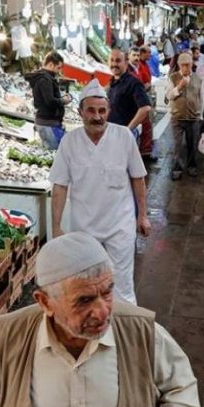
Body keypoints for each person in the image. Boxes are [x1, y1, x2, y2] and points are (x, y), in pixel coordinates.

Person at [0, 232, 201, 407]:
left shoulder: (144, 333)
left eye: (107, 292)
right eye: (84, 300)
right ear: (45, 302)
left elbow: (181, 388)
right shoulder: (4, 339)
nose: (103, 312)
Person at [49, 79, 151, 305]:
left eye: (102, 111)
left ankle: (125, 330)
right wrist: (56, 227)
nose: (97, 116)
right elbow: (60, 186)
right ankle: (94, 328)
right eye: (91, 111)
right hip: (84, 228)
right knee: (88, 282)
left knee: (122, 283)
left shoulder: (124, 136)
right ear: (81, 112)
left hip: (120, 225)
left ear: (109, 111)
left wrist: (142, 215)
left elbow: (138, 177)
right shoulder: (69, 142)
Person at [166, 53, 204, 181]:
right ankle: (177, 169)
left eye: (188, 65)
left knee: (192, 145)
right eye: (184, 65)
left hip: (193, 118)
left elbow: (201, 98)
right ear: (179, 65)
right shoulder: (173, 78)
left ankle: (192, 167)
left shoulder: (198, 79)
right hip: (177, 117)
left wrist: (200, 114)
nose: (186, 68)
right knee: (178, 145)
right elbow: (169, 96)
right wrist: (179, 86)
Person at [25, 51, 71, 150]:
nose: (58, 71)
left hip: (47, 123)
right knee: (56, 155)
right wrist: (63, 100)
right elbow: (49, 101)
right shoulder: (45, 79)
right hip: (48, 125)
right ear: (50, 64)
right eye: (58, 68)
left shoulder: (44, 78)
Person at [107, 49, 152, 141]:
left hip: (124, 136)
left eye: (118, 61)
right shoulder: (112, 82)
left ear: (126, 63)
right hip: (111, 132)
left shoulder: (133, 83)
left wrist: (128, 129)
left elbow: (145, 108)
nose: (114, 64)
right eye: (112, 60)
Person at [129, 46, 155, 160]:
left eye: (137, 55)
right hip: (134, 103)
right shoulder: (128, 70)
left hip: (141, 101)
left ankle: (144, 152)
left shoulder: (139, 67)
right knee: (135, 128)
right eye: (134, 55)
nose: (136, 58)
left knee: (145, 127)